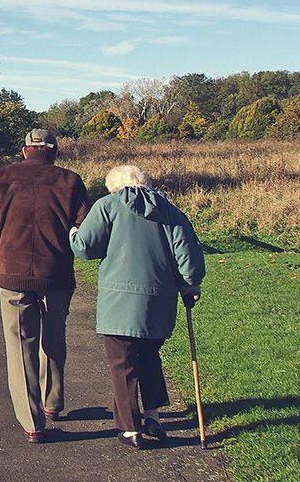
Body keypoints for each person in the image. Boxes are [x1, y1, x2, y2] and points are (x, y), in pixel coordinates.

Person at [69, 165, 205, 450]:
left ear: (114, 187)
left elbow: (84, 247)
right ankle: (153, 416)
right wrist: (190, 285)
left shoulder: (108, 206)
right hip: (159, 302)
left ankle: (130, 428)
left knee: (123, 363)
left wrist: (73, 232)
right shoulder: (171, 211)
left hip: (118, 303)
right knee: (149, 356)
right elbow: (189, 259)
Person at [0, 128, 90, 443]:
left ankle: (33, 422)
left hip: (13, 275)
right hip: (57, 275)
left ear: (25, 151)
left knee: (21, 347)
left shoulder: (3, 177)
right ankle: (53, 403)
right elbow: (85, 227)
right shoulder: (71, 181)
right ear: (54, 152)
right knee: (54, 338)